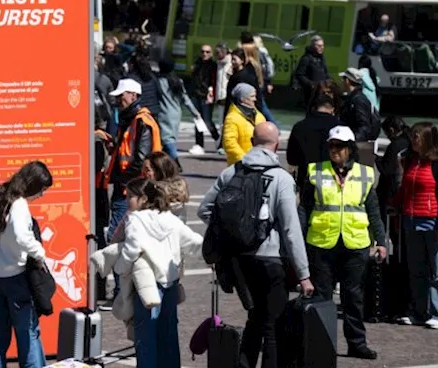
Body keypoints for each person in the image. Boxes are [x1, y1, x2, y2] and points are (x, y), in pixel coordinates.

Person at [198, 122, 313, 368]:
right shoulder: (281, 178)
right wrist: (303, 274)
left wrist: (233, 231)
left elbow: (204, 209)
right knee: (273, 325)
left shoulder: (232, 172)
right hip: (270, 259)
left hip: (239, 259)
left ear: (251, 141)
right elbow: (290, 230)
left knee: (255, 318)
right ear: (277, 145)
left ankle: (244, 364)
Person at [298, 126, 386, 359]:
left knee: (353, 298)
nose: (334, 150)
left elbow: (373, 210)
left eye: (339, 146)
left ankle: (357, 344)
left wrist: (381, 240)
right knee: (322, 298)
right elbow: (304, 208)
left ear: (349, 149)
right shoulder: (315, 171)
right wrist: (297, 241)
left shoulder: (365, 174)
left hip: (355, 243)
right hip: (321, 242)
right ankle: (321, 345)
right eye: (331, 145)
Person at [116, 178, 202, 368]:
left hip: (147, 286)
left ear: (143, 198)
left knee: (146, 340)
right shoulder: (169, 217)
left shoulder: (135, 219)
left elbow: (131, 249)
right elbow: (194, 242)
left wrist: (119, 268)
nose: (127, 200)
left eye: (130, 196)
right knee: (168, 337)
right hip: (169, 283)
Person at [0, 160, 53, 368]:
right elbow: (21, 235)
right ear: (33, 185)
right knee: (27, 333)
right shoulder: (18, 204)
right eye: (42, 190)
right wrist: (39, 252)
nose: (42, 195)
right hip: (16, 276)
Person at [395, 121, 438, 329]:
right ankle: (419, 311)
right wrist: (396, 207)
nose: (413, 140)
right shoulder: (411, 161)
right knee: (416, 270)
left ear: (427, 139)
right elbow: (405, 189)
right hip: (412, 221)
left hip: (432, 221)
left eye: (417, 137)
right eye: (413, 137)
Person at [100, 78, 162, 245]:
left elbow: (141, 159)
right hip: (129, 187)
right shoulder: (130, 120)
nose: (119, 100)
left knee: (116, 238)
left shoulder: (141, 121)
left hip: (132, 188)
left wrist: (121, 180)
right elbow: (129, 153)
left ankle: (119, 271)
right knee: (125, 236)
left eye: (122, 95)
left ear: (134, 95)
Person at [286, 93, 341, 186]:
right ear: (332, 109)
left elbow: (292, 159)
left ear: (314, 108)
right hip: (333, 178)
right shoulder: (340, 128)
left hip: (306, 178)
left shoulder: (299, 127)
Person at [187, 44, 220, 155]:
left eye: (207, 52)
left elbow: (214, 81)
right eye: (203, 51)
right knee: (197, 120)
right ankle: (199, 144)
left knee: (207, 120)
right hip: (196, 95)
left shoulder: (213, 65)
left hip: (206, 95)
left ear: (211, 53)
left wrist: (212, 94)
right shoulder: (197, 63)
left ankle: (218, 140)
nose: (204, 54)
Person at [222, 83, 265, 166]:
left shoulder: (259, 116)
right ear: (243, 99)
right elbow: (229, 143)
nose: (255, 99)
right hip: (240, 166)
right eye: (252, 96)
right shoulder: (232, 118)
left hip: (259, 163)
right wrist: (245, 159)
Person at [292, 35, 329, 108]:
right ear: (312, 46)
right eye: (319, 46)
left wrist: (328, 83)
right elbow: (299, 74)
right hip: (311, 92)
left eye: (322, 46)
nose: (321, 48)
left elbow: (325, 73)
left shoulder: (321, 59)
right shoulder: (306, 58)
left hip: (322, 90)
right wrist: (311, 84)